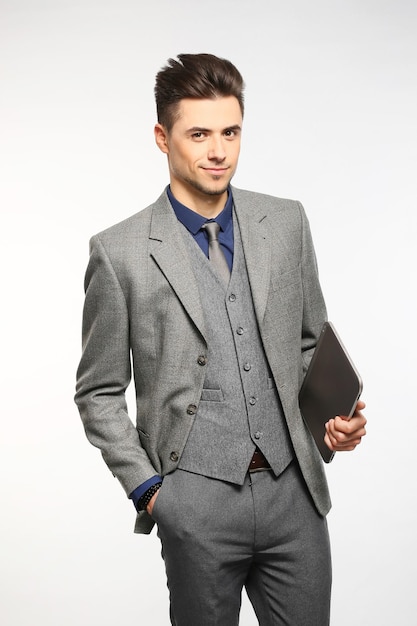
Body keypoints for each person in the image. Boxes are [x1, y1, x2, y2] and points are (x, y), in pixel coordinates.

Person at [75, 53, 366, 625]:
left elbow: (311, 343)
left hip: (294, 497)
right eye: (199, 134)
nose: (218, 151)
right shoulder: (120, 252)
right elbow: (98, 391)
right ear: (162, 137)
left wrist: (333, 421)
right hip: (195, 502)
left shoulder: (286, 223)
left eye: (230, 132)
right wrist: (152, 491)